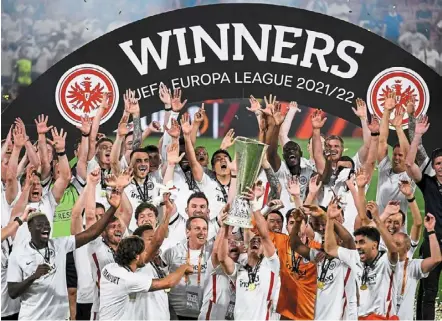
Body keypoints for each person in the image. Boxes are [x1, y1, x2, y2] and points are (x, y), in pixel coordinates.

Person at [7, 182, 123, 320]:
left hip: (59, 317)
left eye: (47, 224)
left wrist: (112, 208)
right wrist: (33, 277)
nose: (45, 227)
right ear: (30, 229)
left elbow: (91, 233)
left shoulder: (60, 244)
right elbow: (13, 292)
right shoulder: (18, 254)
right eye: (40, 225)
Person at [324, 201, 399, 319]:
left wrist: (377, 219)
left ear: (374, 245)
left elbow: (394, 251)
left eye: (362, 242)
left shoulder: (386, 261)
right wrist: (329, 219)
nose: (357, 246)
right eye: (356, 242)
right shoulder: (355, 257)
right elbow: (330, 248)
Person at [99, 236, 193, 320]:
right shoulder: (129, 279)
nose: (146, 253)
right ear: (137, 256)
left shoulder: (108, 268)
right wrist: (183, 267)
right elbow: (168, 283)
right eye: (144, 251)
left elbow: (100, 284)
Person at [219, 196, 281, 320]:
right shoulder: (239, 270)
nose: (256, 242)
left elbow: (264, 235)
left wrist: (254, 203)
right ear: (246, 248)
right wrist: (225, 228)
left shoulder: (272, 265)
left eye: (259, 241)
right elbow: (222, 258)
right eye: (253, 240)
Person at [405, 117, 442, 321]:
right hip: (432, 243)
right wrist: (417, 135)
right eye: (437, 163)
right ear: (434, 167)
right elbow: (409, 163)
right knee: (429, 292)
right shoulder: (427, 183)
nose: (440, 166)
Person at [161, 216, 212, 320]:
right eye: (197, 228)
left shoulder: (212, 252)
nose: (202, 232)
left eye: (205, 229)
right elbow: (161, 277)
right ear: (188, 232)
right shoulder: (172, 252)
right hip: (176, 313)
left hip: (203, 313)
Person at [393, 214, 441, 320]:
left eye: (397, 244)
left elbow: (436, 259)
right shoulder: (382, 264)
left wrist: (431, 231)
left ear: (407, 248)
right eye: (392, 244)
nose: (393, 247)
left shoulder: (412, 266)